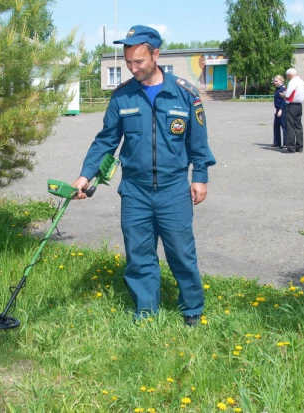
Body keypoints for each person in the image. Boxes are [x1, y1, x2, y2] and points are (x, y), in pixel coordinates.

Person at [71, 25, 216, 326]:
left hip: (173, 188)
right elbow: (106, 141)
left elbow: (198, 142)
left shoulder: (184, 94)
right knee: (138, 255)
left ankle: (191, 309)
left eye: (139, 61)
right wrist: (85, 176)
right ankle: (146, 311)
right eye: (128, 62)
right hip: (135, 191)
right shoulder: (123, 97)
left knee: (181, 253)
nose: (133, 68)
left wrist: (199, 176)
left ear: (156, 54)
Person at [280, 68, 304, 153]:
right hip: (299, 105)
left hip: (291, 105)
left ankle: (291, 147)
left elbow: (287, 95)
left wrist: (282, 95)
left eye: (287, 76)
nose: (287, 78)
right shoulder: (302, 82)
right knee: (298, 126)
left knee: (290, 126)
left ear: (290, 75)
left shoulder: (292, 82)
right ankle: (299, 146)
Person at [272, 75, 287, 148]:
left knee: (284, 127)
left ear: (281, 81)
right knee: (276, 126)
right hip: (277, 109)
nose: (275, 83)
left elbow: (283, 101)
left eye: (276, 81)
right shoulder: (277, 89)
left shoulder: (282, 89)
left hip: (282, 110)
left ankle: (286, 143)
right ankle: (277, 142)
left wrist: (280, 110)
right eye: (274, 81)